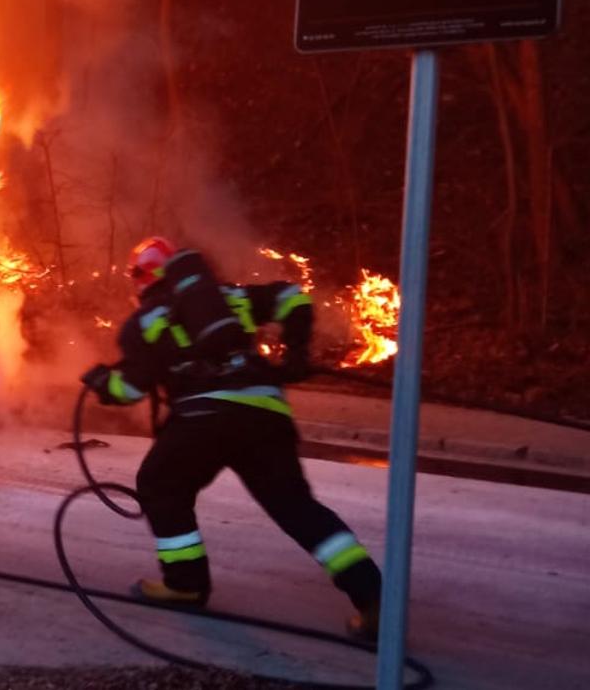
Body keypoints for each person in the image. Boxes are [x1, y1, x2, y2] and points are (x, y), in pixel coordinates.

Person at [81, 236, 384, 639]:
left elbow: (131, 390)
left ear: (141, 279)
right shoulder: (228, 299)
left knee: (160, 484)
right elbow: (294, 298)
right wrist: (294, 352)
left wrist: (102, 382)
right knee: (295, 507)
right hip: (265, 412)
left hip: (204, 417)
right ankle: (373, 596)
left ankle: (185, 584)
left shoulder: (147, 321)